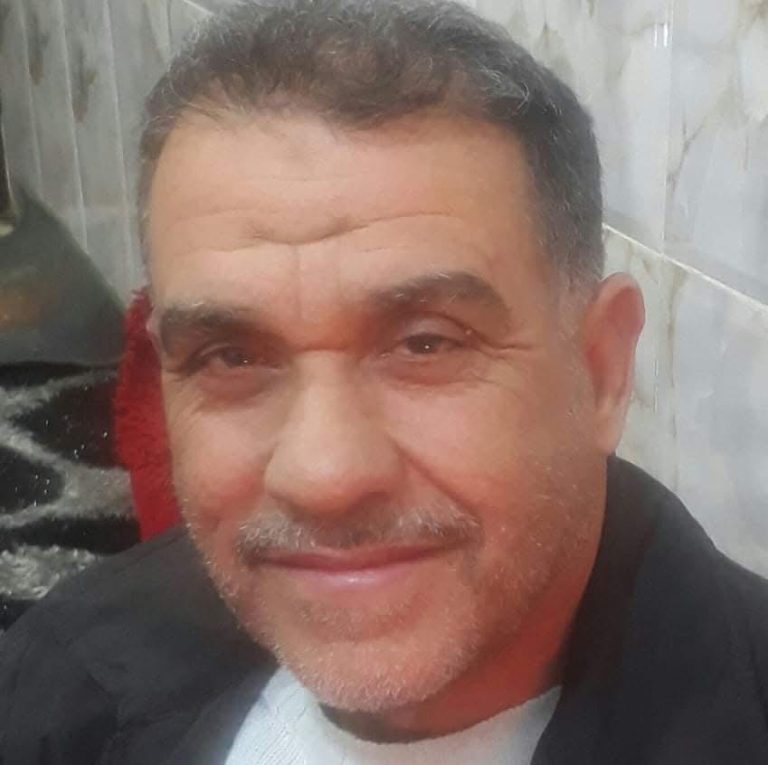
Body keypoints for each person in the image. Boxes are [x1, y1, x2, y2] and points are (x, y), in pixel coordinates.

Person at [2, 1, 768, 762]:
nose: (324, 476)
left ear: (601, 370)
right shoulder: (64, 679)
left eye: (426, 344)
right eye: (231, 357)